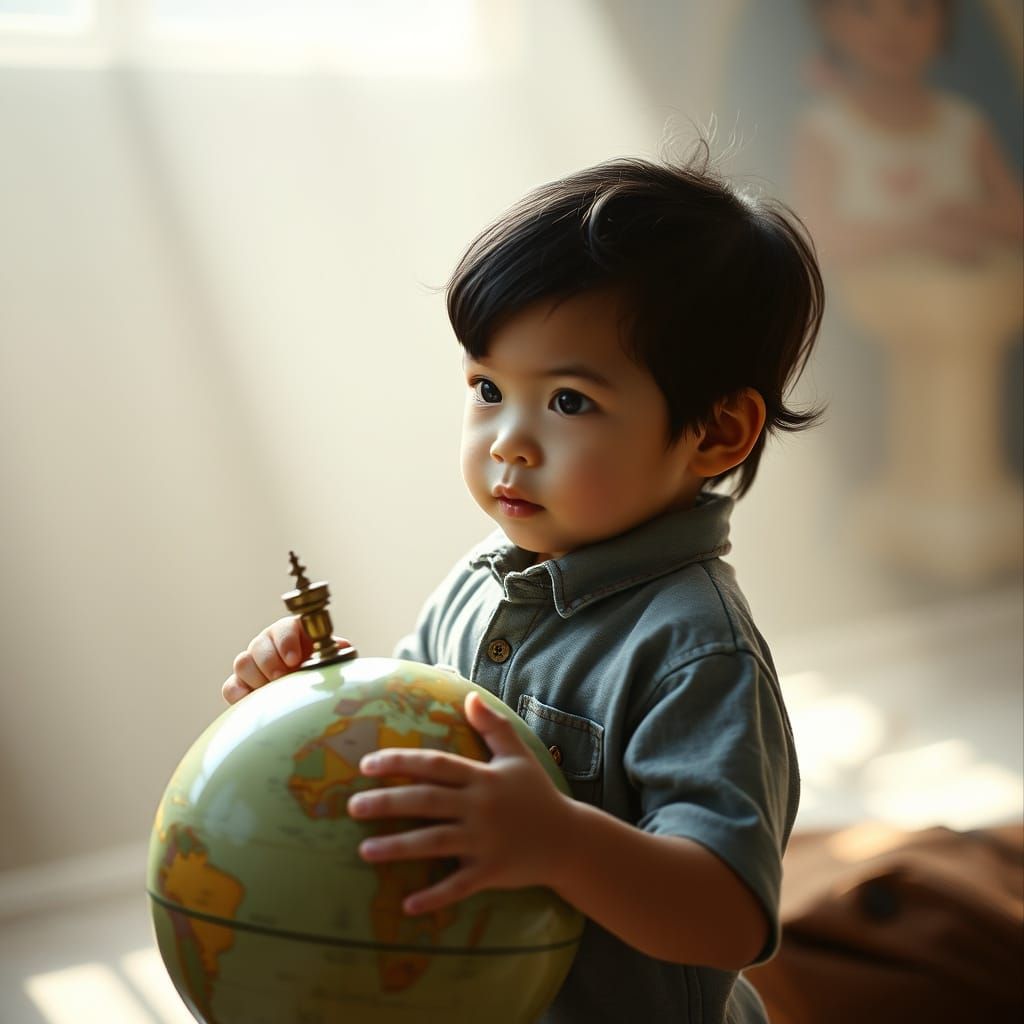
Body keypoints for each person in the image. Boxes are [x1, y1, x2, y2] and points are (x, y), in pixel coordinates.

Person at [222, 150, 825, 1023]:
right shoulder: (477, 585)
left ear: (716, 432)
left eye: (569, 402)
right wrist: (308, 710)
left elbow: (728, 916)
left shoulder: (695, 652)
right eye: (488, 388)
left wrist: (559, 841)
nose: (508, 440)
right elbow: (408, 747)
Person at [793, 0, 1023, 266]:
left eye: (913, 9)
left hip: (968, 300)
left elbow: (1017, 218)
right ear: (831, 23)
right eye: (866, 9)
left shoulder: (964, 124)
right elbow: (811, 239)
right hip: (869, 304)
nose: (892, 27)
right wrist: (919, 235)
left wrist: (974, 218)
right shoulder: (825, 131)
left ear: (943, 25)